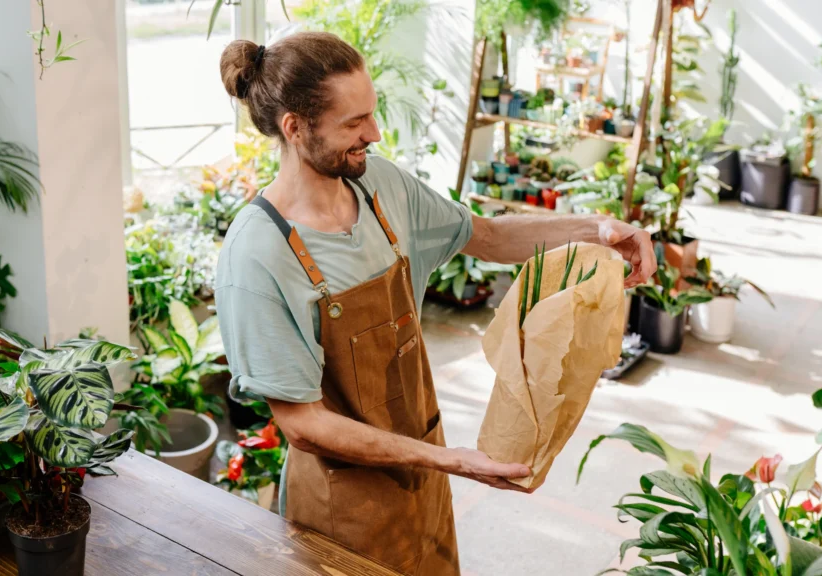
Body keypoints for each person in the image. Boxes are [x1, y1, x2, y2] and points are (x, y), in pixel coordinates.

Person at [215, 32, 656, 576]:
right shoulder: (258, 254)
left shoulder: (380, 186)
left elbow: (486, 236)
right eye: (354, 123)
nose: (374, 133)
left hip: (421, 483)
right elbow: (303, 423)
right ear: (295, 127)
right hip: (340, 508)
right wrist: (450, 460)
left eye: (372, 113)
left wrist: (599, 230)